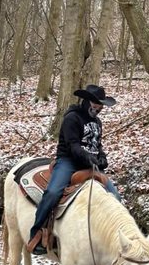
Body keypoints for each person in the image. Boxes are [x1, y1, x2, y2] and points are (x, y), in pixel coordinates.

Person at [27, 84, 121, 255]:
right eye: (95, 104)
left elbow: (96, 144)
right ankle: (36, 234)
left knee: (115, 196)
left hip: (90, 164)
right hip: (68, 161)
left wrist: (102, 157)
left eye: (100, 105)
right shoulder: (72, 118)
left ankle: (116, 240)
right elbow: (73, 146)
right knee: (53, 192)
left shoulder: (97, 122)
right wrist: (87, 157)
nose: (98, 108)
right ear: (86, 101)